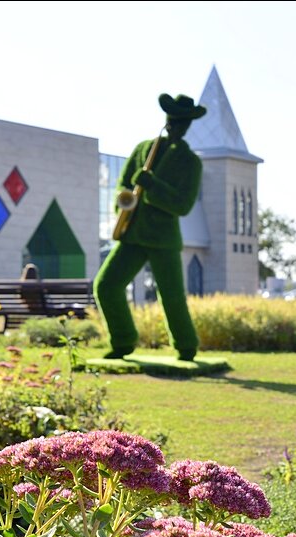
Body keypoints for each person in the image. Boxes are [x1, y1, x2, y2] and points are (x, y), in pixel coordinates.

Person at [94, 93, 205, 361]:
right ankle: (122, 340)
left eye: (181, 123)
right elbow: (123, 184)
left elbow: (183, 205)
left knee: (171, 296)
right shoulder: (144, 148)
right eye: (172, 120)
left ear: (187, 126)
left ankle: (186, 345)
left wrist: (153, 185)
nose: (175, 126)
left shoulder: (191, 162)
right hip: (132, 233)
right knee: (106, 285)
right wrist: (123, 200)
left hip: (163, 238)